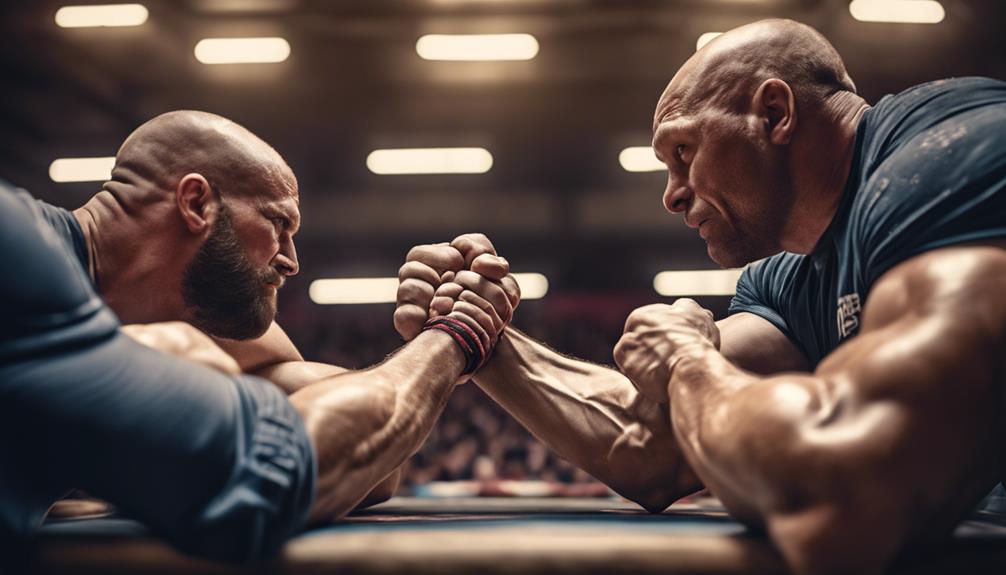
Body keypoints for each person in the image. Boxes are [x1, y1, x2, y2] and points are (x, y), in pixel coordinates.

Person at [395, 19, 1006, 574]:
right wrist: (479, 336)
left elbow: (842, 503)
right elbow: (648, 442)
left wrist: (688, 361)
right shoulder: (790, 278)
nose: (672, 195)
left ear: (773, 114)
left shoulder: (950, 161)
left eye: (683, 152)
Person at [0, 110, 520, 565]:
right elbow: (288, 466)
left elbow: (373, 467)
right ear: (196, 203)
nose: (292, 261)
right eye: (278, 224)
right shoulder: (23, 266)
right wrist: (456, 333)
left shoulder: (136, 306)